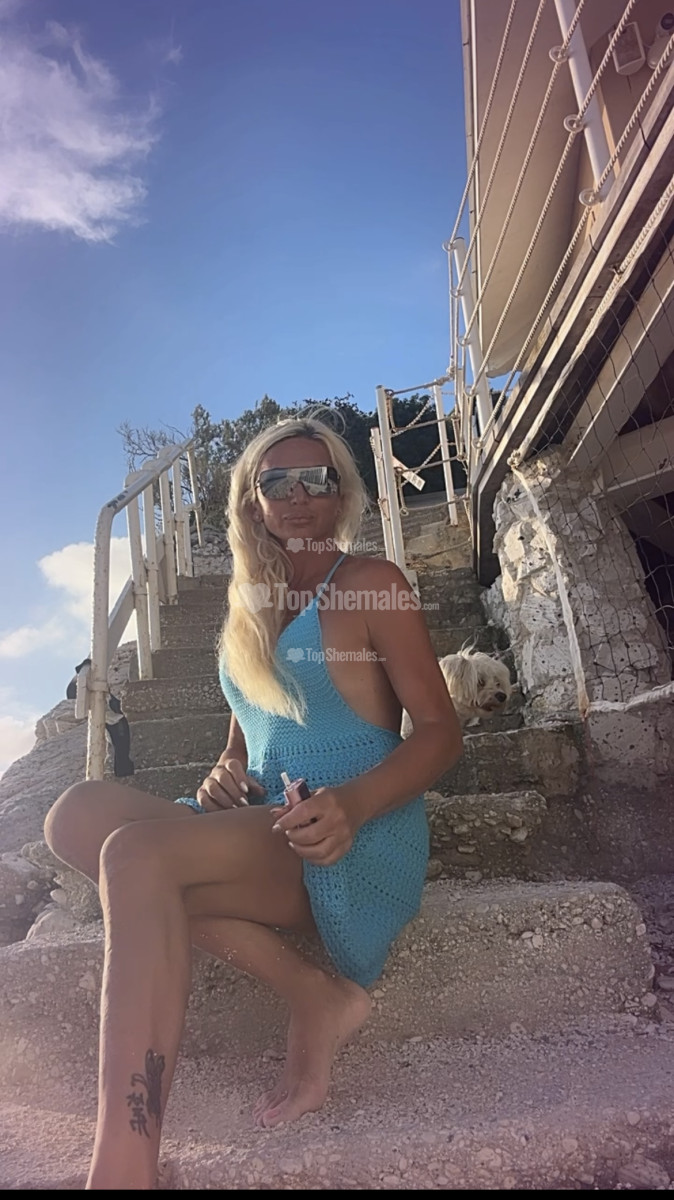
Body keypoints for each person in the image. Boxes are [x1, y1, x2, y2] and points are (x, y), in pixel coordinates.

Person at [43, 413, 463, 1190]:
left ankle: (124, 1166)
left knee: (133, 857)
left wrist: (354, 805)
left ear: (342, 493)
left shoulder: (371, 585)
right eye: (278, 482)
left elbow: (440, 732)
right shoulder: (249, 605)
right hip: (264, 821)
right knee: (74, 817)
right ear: (252, 501)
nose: (298, 496)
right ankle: (313, 993)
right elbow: (248, 735)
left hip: (353, 834)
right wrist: (224, 769)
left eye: (317, 479)